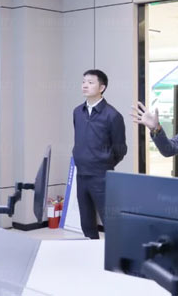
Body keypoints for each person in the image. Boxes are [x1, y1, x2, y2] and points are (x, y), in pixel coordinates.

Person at [72, 69, 127, 239]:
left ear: (102, 88)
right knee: (86, 222)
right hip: (81, 175)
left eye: (90, 82)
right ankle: (91, 251)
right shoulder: (77, 112)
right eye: (83, 82)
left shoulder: (113, 115)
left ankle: (117, 254)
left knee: (110, 223)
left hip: (102, 176)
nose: (85, 85)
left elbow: (120, 149)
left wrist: (104, 163)